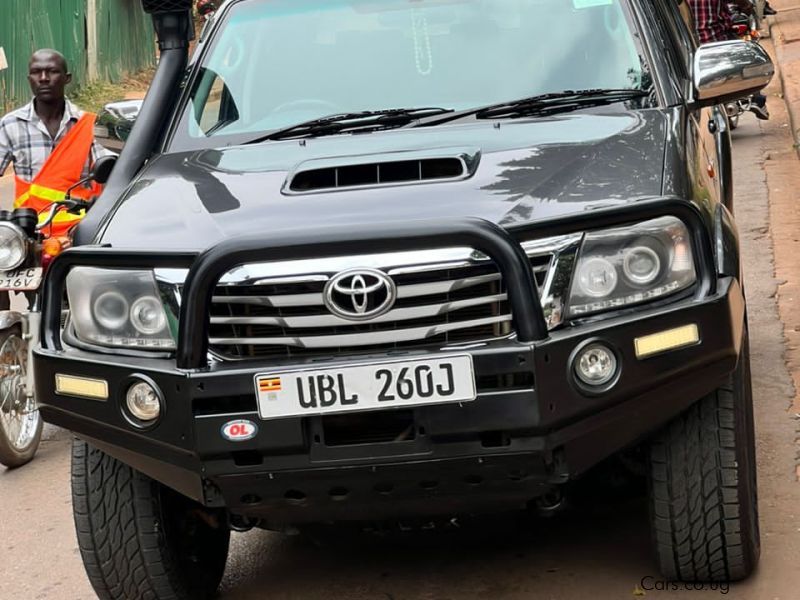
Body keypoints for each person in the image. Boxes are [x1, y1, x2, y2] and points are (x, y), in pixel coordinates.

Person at [0, 49, 110, 236]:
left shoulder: (90, 126)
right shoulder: (10, 125)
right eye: (36, 72)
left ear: (67, 78)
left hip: (79, 234)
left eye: (52, 71)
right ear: (29, 79)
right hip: (28, 235)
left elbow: (111, 174)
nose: (43, 78)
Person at [688, 0, 769, 120]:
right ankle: (756, 99)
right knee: (746, 53)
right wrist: (747, 5)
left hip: (691, 45)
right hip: (718, 40)